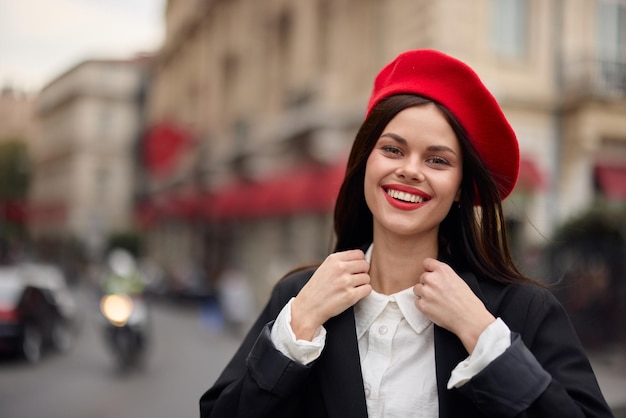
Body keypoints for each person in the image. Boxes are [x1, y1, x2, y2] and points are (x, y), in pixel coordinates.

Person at [199, 50, 613, 417]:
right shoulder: (300, 296)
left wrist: (483, 336)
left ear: (459, 190)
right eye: (393, 149)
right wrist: (300, 325)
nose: (410, 170)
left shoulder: (521, 310)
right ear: (365, 162)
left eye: (437, 160)